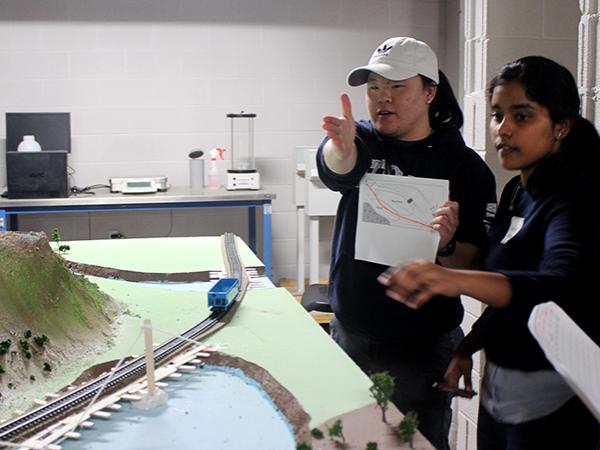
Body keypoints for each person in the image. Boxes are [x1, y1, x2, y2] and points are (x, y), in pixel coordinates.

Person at [379, 55, 600, 449]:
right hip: (502, 386)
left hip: (555, 401)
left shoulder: (574, 199)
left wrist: (452, 278)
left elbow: (556, 288)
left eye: (522, 116)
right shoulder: (517, 191)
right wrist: (469, 344)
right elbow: (503, 280)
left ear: (561, 126)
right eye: (498, 116)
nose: (503, 130)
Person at [317, 36, 496, 449]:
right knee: (344, 441)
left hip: (422, 348)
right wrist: (339, 147)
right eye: (375, 87)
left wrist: (447, 245)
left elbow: (474, 264)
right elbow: (338, 166)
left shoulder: (463, 167)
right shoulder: (360, 140)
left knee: (416, 443)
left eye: (397, 86)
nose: (383, 98)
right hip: (351, 333)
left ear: (430, 92)